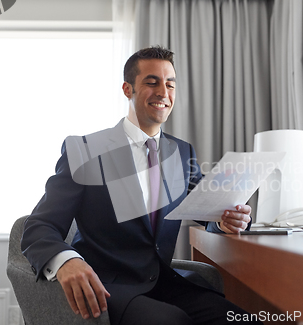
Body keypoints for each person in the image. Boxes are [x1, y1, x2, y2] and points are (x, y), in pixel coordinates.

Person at [21, 46, 261, 325]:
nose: (163, 92)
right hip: (109, 286)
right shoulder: (85, 151)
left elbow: (208, 207)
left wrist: (227, 220)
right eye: (152, 82)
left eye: (170, 84)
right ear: (127, 89)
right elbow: (39, 227)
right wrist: (67, 261)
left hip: (165, 283)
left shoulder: (181, 153)